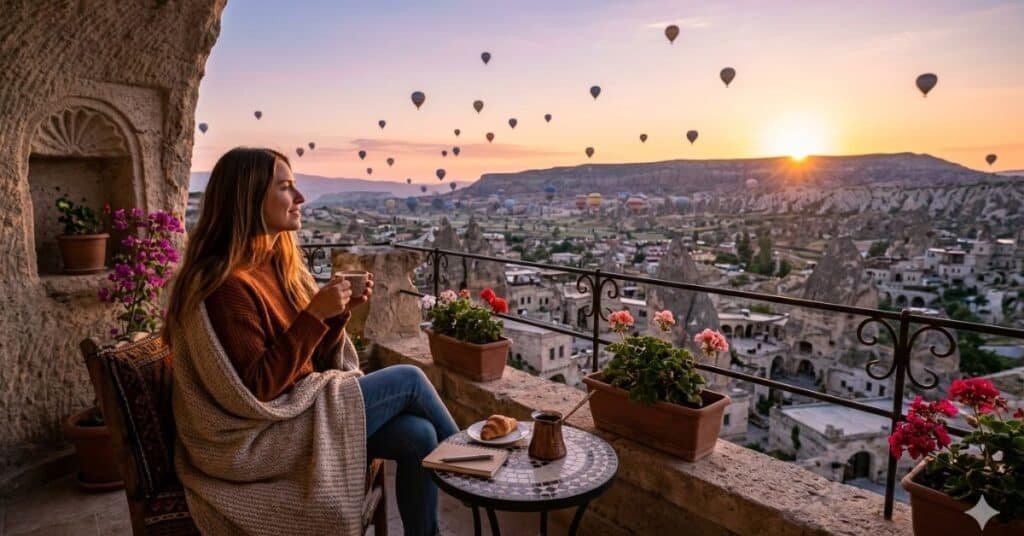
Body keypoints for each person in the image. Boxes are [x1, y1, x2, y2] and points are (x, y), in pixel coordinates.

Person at [165, 147, 458, 536]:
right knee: (407, 379)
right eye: (286, 188)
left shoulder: (272, 266)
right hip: (258, 439)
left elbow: (310, 363)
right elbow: (259, 389)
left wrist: (333, 316)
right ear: (248, 198)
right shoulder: (226, 286)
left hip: (297, 412)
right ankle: (477, 464)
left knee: (418, 436)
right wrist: (314, 315)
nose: (300, 199)